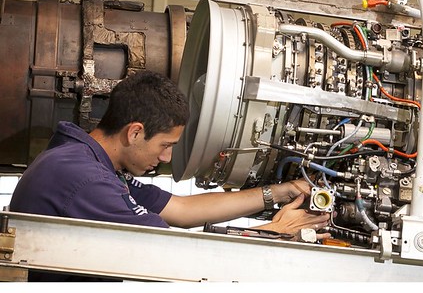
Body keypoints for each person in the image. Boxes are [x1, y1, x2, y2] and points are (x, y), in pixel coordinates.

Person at [10, 70, 330, 239]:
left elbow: (181, 209)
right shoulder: (84, 179)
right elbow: (175, 251)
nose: (165, 158)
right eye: (166, 145)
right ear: (135, 132)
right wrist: (276, 231)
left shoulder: (90, 162)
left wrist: (280, 192)